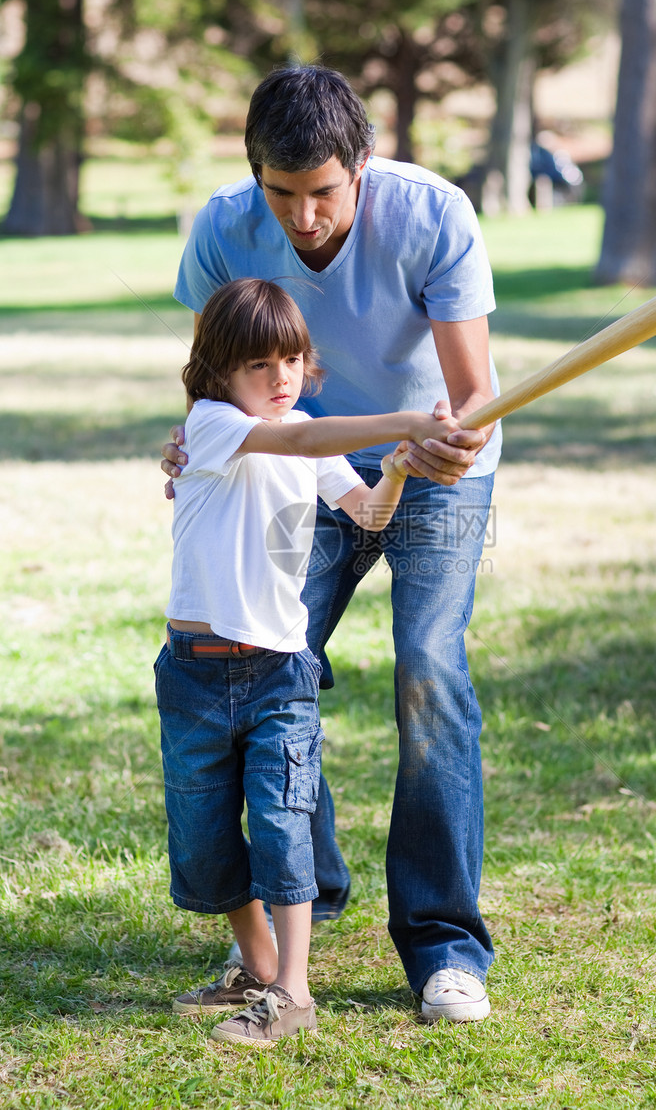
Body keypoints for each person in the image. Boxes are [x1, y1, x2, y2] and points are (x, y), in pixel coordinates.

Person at [162, 64, 502, 1023]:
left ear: (361, 163)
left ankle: (443, 946)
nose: (304, 217)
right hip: (291, 458)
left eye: (323, 193)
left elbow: (471, 393)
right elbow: (212, 370)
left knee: (428, 667)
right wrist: (194, 440)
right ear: (255, 174)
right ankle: (298, 907)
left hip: (434, 463)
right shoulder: (227, 225)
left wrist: (436, 442)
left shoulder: (433, 215)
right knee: (273, 660)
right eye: (283, 193)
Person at [157, 276, 461, 1047]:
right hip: (194, 672)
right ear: (219, 371)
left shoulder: (300, 428)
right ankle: (258, 965)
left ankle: (292, 991)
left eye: (291, 360)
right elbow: (295, 441)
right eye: (261, 365)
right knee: (203, 834)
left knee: (284, 821)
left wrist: (394, 467)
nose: (281, 378)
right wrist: (409, 419)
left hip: (279, 672)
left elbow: (365, 513)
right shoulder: (214, 423)